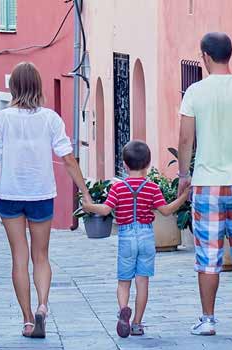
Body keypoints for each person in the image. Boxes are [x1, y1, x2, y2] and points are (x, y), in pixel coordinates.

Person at [0, 62, 93, 338]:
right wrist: (84, 192)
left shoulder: (2, 119)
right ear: (38, 86)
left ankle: (28, 321)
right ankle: (42, 305)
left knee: (19, 257)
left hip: (10, 195)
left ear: (12, 87)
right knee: (41, 256)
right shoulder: (51, 119)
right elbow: (68, 158)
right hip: (41, 194)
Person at [177, 32, 232, 336]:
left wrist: (183, 176)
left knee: (208, 257)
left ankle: (208, 319)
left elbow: (186, 139)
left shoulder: (194, 92)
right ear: (229, 54)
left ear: (204, 56)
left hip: (206, 184)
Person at [81, 141, 189, 338]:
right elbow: (166, 211)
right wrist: (183, 197)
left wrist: (89, 206)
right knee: (142, 282)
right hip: (147, 236)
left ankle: (123, 309)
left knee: (124, 281)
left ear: (124, 164)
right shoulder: (152, 188)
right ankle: (137, 323)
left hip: (126, 236)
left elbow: (105, 209)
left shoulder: (118, 188)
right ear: (148, 163)